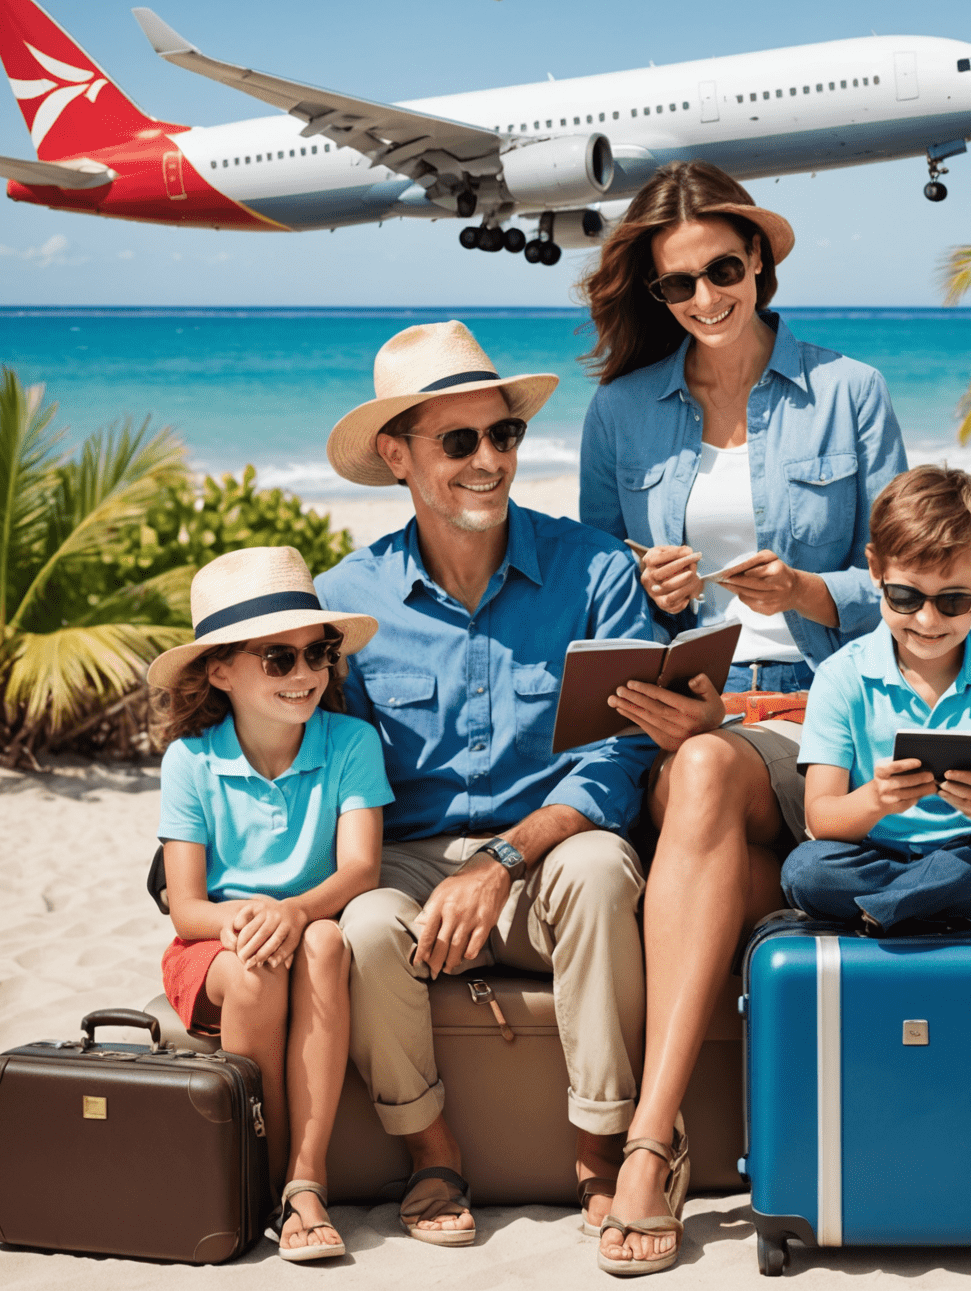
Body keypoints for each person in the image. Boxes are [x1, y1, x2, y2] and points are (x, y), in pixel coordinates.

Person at [576, 161, 907, 1273]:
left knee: (716, 779)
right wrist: (650, 586)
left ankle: (648, 1144)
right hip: (688, 718)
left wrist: (808, 593)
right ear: (656, 295)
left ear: (760, 259)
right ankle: (661, 1135)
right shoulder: (620, 410)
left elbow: (907, 585)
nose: (708, 299)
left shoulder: (848, 387)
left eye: (726, 269)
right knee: (707, 769)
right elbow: (594, 588)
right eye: (680, 286)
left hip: (822, 716)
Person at [314, 320, 662, 1252]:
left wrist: (507, 859)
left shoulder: (595, 571)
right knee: (363, 925)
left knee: (598, 874)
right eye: (457, 441)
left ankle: (599, 1148)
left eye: (502, 436)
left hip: (548, 849)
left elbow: (623, 753)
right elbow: (327, 764)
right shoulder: (347, 600)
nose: (488, 461)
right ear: (397, 455)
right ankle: (432, 1154)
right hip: (408, 862)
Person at [149, 546, 389, 1264]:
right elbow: (186, 909)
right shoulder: (190, 761)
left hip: (315, 924)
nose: (307, 674)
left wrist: (294, 913)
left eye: (318, 654)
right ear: (220, 670)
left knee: (323, 945)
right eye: (278, 660)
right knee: (256, 970)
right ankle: (267, 1173)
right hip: (215, 947)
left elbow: (362, 870)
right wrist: (252, 917)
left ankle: (304, 1180)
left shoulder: (351, 742)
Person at [781, 466, 971, 930]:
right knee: (807, 869)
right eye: (906, 597)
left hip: (969, 855)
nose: (928, 621)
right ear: (875, 570)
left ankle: (888, 909)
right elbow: (821, 820)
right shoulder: (840, 677)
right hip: (873, 855)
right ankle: (918, 905)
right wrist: (876, 800)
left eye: (952, 601)